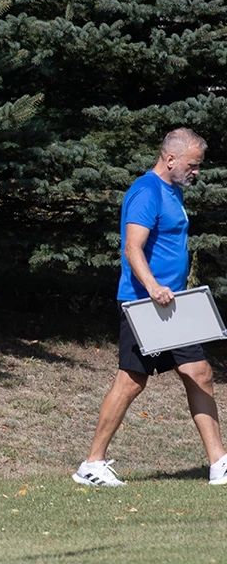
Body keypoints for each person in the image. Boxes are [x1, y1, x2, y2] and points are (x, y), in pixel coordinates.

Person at [72, 128, 227, 487]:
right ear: (170, 159)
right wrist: (154, 287)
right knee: (131, 382)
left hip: (172, 304)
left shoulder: (172, 191)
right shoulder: (146, 191)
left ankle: (219, 463)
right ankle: (92, 464)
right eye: (192, 165)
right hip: (145, 303)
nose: (196, 171)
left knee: (198, 372)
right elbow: (133, 247)